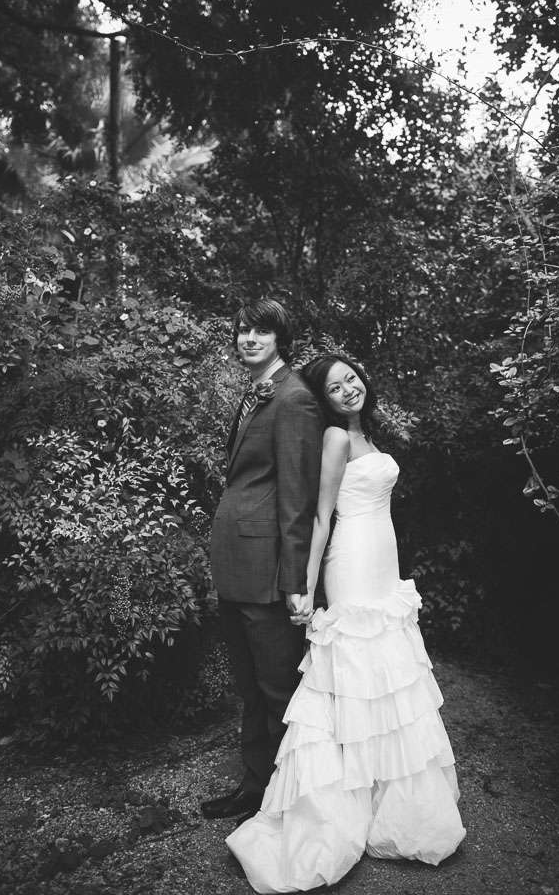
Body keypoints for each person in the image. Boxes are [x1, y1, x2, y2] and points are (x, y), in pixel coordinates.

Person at [225, 354, 466, 892]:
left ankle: (388, 794)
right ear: (325, 399)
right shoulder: (334, 438)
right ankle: (341, 798)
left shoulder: (368, 435)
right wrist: (304, 584)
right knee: (358, 667)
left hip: (382, 559)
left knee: (387, 671)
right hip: (352, 561)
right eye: (335, 387)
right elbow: (320, 515)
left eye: (351, 378)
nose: (348, 389)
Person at [201, 300, 323, 823]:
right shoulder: (257, 391)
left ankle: (294, 800)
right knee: (250, 688)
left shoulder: (294, 398)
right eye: (242, 330)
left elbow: (298, 497)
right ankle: (255, 787)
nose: (248, 338)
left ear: (280, 339)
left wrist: (296, 580)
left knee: (278, 691)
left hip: (269, 573)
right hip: (237, 565)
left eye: (261, 331)